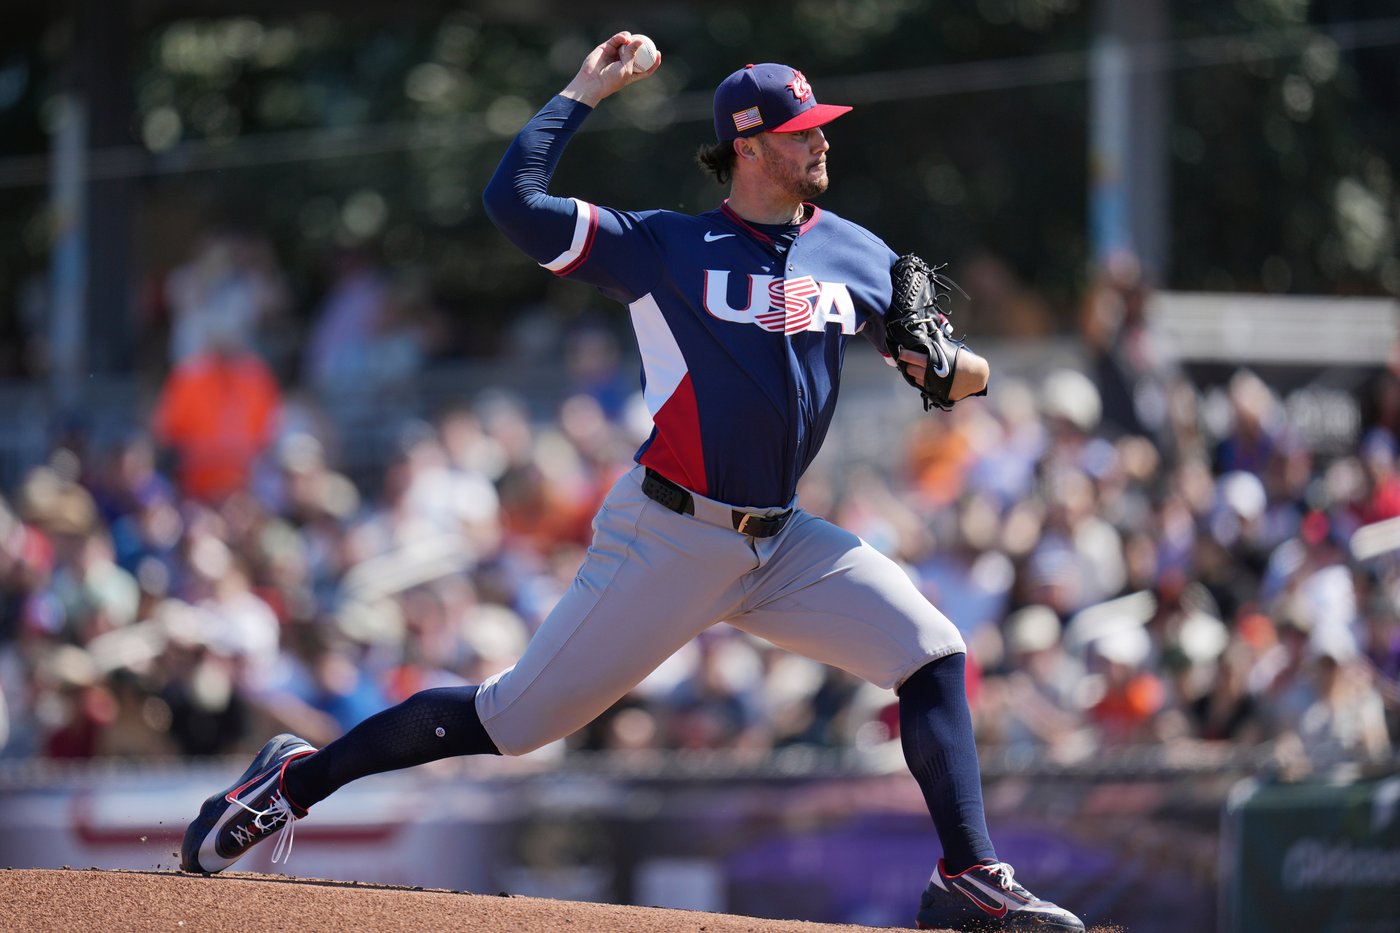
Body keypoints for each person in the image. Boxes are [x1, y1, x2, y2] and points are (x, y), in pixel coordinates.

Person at [180, 33, 1084, 933]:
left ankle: (968, 875)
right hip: (669, 533)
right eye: (800, 130)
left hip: (781, 539)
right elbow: (513, 201)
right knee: (512, 720)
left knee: (932, 650)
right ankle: (293, 780)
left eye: (820, 127)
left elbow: (958, 376)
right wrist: (584, 89)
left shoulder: (853, 250)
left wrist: (946, 359)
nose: (821, 142)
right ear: (748, 145)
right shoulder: (663, 248)